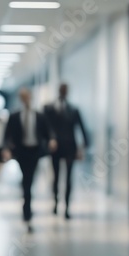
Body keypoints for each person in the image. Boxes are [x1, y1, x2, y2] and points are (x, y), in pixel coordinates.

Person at [3, 88, 57, 233]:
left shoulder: (39, 116)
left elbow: (48, 131)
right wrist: (7, 148)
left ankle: (27, 208)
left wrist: (52, 140)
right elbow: (7, 135)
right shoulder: (14, 116)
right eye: (23, 97)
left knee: (29, 179)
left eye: (27, 97)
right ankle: (27, 207)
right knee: (26, 179)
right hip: (21, 152)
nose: (26, 99)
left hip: (35, 151)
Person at [44, 83, 89, 220]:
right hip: (55, 148)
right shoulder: (49, 108)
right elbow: (46, 127)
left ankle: (67, 207)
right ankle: (56, 202)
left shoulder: (73, 109)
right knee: (56, 177)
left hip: (70, 147)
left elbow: (81, 127)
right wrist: (49, 141)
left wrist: (84, 145)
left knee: (69, 178)